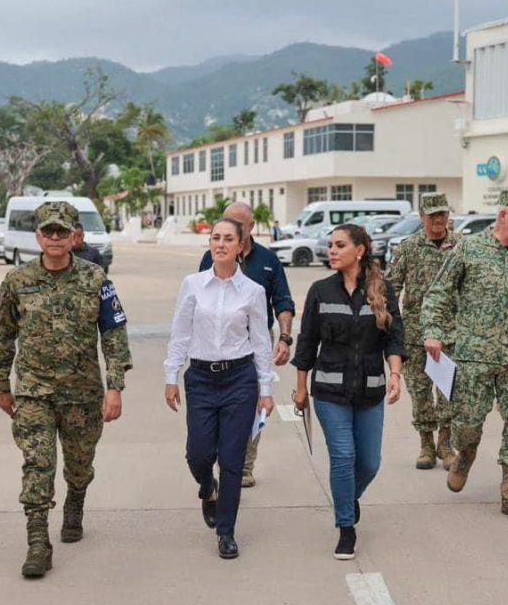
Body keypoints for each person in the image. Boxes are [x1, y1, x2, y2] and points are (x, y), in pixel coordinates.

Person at [0, 201, 132, 578]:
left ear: (74, 236)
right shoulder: (17, 281)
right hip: (34, 391)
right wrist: (1, 384)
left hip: (82, 392)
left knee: (79, 462)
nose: (55, 238)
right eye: (48, 231)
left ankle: (76, 499)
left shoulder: (95, 279)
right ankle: (38, 541)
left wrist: (114, 386)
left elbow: (114, 335)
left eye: (62, 232)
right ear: (38, 236)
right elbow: (4, 336)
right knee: (37, 464)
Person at [420, 188, 508, 522]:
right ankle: (465, 454)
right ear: (503, 216)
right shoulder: (468, 249)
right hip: (474, 356)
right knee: (468, 424)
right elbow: (438, 294)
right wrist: (433, 332)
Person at [293, 223, 404, 560]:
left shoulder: (382, 289)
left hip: (370, 390)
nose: (333, 251)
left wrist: (396, 374)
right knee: (343, 456)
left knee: (369, 462)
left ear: (360, 250)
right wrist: (300, 387)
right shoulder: (320, 291)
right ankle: (346, 527)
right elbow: (307, 341)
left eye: (340, 245)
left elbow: (395, 336)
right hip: (329, 391)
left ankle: (346, 497)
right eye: (331, 245)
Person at [166, 218, 274, 560]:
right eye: (215, 238)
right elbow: (180, 332)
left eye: (228, 239)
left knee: (232, 459)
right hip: (200, 379)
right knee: (198, 453)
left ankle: (226, 531)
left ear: (241, 246)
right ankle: (206, 486)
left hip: (239, 380)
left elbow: (260, 342)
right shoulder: (193, 285)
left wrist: (266, 387)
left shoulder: (253, 292)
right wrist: (172, 375)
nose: (221, 244)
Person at [198, 202, 295, 488]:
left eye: (237, 225)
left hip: (255, 344)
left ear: (250, 228)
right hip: (217, 346)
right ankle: (222, 456)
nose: (229, 231)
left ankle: (244, 464)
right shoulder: (209, 257)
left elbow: (283, 301)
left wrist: (285, 338)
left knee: (254, 404)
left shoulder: (268, 260)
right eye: (226, 223)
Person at [387, 192, 459, 471]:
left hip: (451, 332)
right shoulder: (408, 248)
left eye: (443, 214)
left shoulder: (462, 246)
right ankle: (426, 444)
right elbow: (392, 287)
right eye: (433, 215)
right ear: (422, 217)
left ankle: (445, 443)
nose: (439, 220)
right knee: (420, 392)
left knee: (449, 391)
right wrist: (390, 326)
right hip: (415, 335)